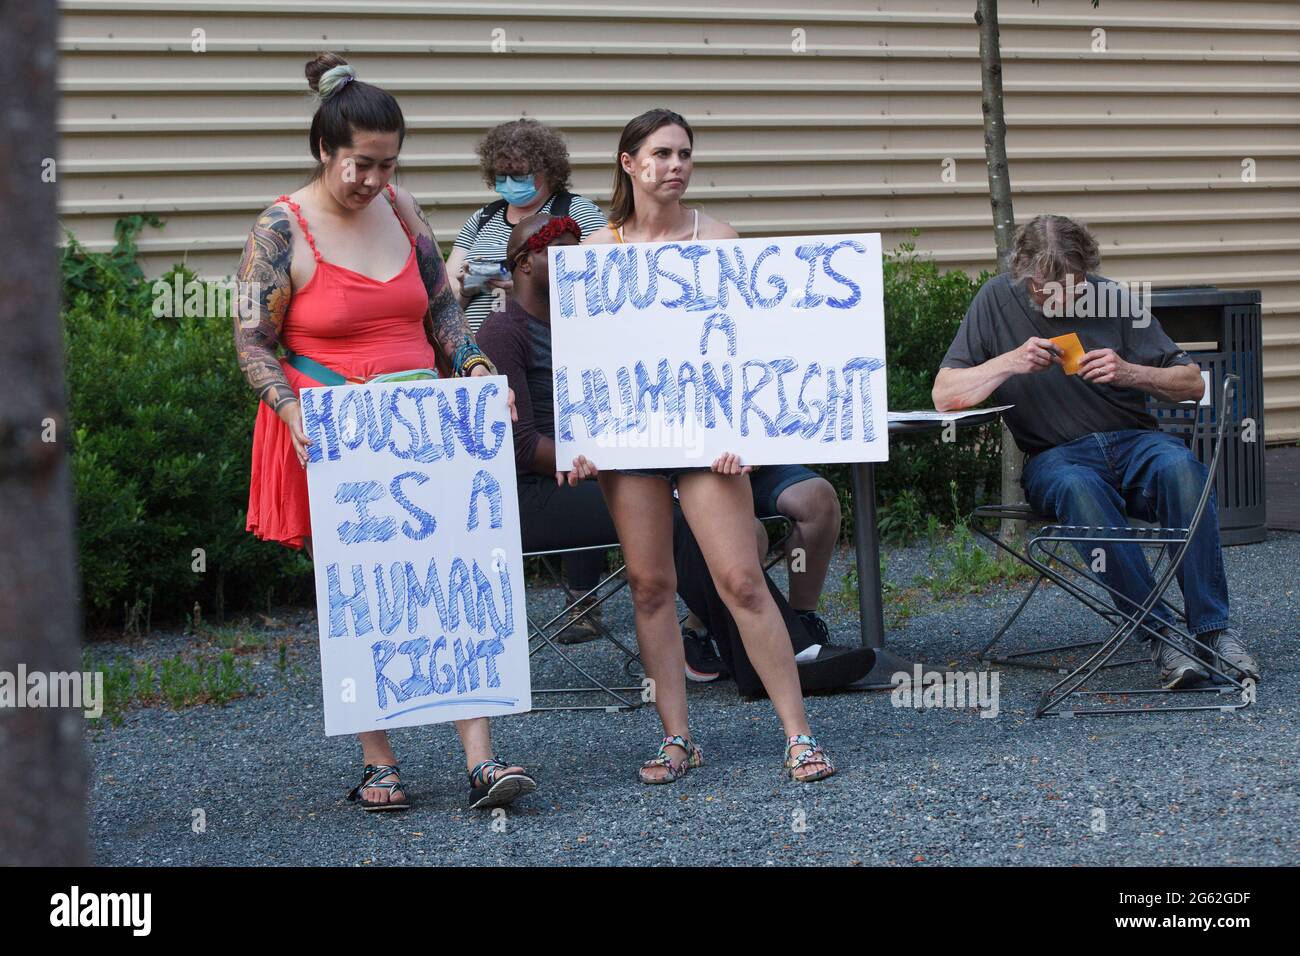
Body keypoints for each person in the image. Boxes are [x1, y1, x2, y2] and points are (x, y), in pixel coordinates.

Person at [235, 53, 537, 812]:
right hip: (333, 426)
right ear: (325, 152)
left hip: (424, 421)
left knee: (461, 577)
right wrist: (292, 409)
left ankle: (483, 760)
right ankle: (381, 760)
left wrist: (470, 365)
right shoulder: (279, 228)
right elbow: (250, 340)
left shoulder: (403, 210)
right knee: (361, 591)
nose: (373, 180)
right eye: (360, 165)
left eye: (388, 164)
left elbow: (441, 306)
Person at [477, 213, 873, 700]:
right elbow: (520, 445)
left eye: (577, 246)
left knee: (700, 513)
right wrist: (600, 455)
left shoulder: (592, 319)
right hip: (543, 489)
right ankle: (780, 658)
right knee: (677, 518)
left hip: (611, 468)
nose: (574, 259)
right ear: (524, 263)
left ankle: (768, 654)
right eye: (558, 250)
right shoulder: (502, 331)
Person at [571, 109, 839, 784]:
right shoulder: (596, 253)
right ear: (628, 163)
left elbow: (750, 350)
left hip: (706, 436)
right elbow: (587, 362)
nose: (676, 165)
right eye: (660, 154)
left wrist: (744, 434)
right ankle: (677, 739)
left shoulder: (720, 239)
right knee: (650, 585)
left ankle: (799, 735)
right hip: (631, 438)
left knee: (742, 579)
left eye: (684, 153)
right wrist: (582, 438)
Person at [931, 214, 1260, 689]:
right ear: (1024, 276)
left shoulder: (1114, 299)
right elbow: (944, 394)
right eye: (1047, 288)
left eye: (1075, 284)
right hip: (1055, 455)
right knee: (1077, 486)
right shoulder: (994, 301)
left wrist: (1131, 372)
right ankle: (1161, 634)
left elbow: (1191, 383)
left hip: (1135, 441)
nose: (1061, 297)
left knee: (1184, 470)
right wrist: (1010, 361)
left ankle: (1212, 630)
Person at [446, 118, 607, 639]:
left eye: (522, 173)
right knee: (511, 450)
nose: (511, 183)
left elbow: (604, 264)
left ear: (548, 170)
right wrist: (473, 282)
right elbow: (446, 290)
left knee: (571, 442)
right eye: (502, 173)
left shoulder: (572, 212)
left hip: (559, 344)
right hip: (486, 348)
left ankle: (582, 600)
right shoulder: (483, 219)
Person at [682, 464, 843, 679]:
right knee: (746, 534)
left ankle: (801, 621)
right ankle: (697, 630)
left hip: (751, 464)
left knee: (819, 500)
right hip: (686, 473)